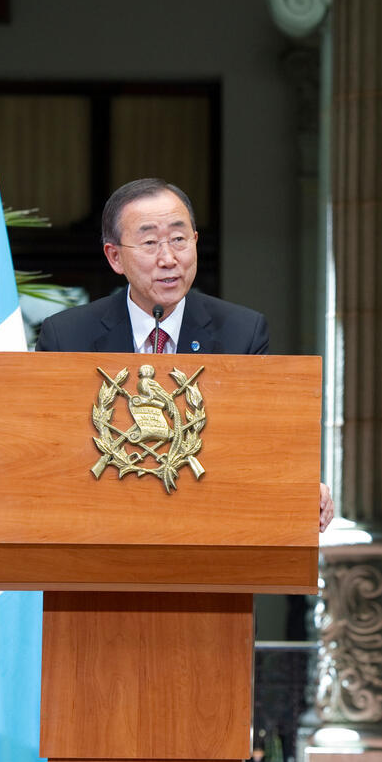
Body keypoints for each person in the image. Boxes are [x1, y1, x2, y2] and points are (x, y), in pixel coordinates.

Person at [37, 177, 335, 530]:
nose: (168, 259)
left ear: (195, 241)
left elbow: (259, 445)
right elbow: (45, 451)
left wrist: (298, 486)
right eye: (149, 242)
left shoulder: (242, 332)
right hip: (98, 527)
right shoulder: (67, 335)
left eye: (179, 239)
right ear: (115, 256)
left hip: (208, 527)